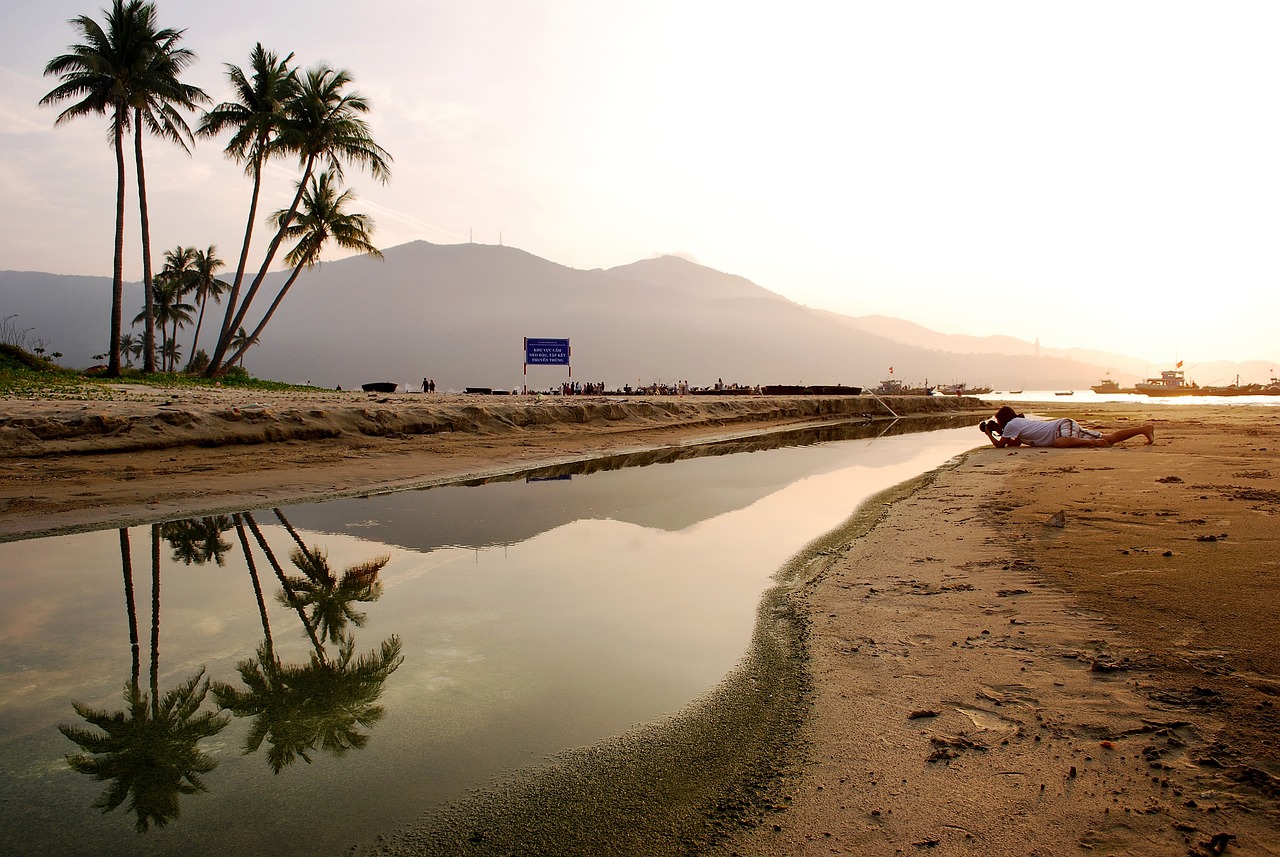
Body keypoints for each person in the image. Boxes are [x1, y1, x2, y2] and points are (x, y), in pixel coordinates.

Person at [983, 405, 1154, 448]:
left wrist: (989, 434)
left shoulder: (1013, 424)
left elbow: (1000, 445)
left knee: (1060, 442)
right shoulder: (1018, 424)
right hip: (1064, 426)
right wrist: (999, 432)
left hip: (1061, 427)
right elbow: (1015, 444)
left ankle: (1092, 443)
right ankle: (1144, 429)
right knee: (1109, 440)